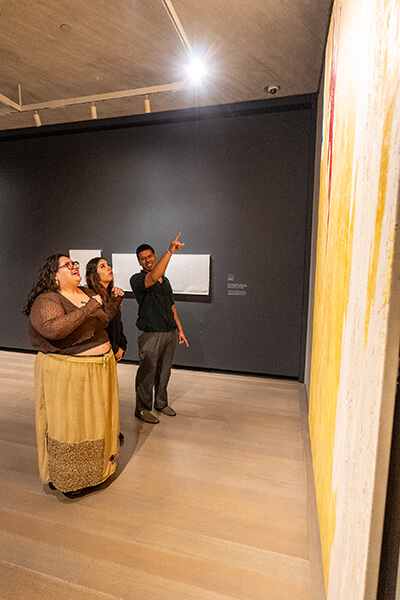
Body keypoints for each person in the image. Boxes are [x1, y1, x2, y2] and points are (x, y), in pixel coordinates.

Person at [23, 254, 123, 497]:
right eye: (67, 265)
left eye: (74, 263)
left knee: (98, 421)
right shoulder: (47, 299)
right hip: (70, 375)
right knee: (74, 426)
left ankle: (99, 470)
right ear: (53, 275)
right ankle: (72, 478)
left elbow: (103, 321)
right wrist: (88, 309)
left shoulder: (87, 293)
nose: (74, 267)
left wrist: (114, 301)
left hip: (99, 370)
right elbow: (53, 328)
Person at [130, 233, 189, 424]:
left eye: (149, 256)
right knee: (147, 372)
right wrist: (170, 252)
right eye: (143, 258)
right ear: (139, 262)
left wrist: (179, 329)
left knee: (164, 372)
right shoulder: (137, 280)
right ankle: (142, 408)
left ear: (154, 256)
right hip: (150, 334)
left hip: (169, 333)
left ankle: (161, 403)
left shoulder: (167, 282)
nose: (147, 260)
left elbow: (171, 306)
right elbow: (153, 277)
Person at [85, 257, 127, 362]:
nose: (109, 268)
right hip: (100, 351)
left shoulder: (111, 295)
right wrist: (115, 348)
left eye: (108, 265)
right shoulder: (91, 297)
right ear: (94, 274)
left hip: (112, 350)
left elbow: (117, 324)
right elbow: (100, 326)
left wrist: (121, 345)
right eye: (102, 266)